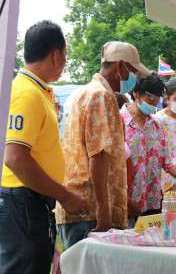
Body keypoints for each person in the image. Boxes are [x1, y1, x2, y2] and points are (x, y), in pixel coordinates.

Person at [0, 20, 89, 274]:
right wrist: (65, 195)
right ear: (55, 55)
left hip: (27, 202)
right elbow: (15, 158)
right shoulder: (27, 94)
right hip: (21, 201)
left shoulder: (36, 92)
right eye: (66, 56)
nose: (65, 62)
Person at [55, 41, 151, 249]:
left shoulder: (87, 91)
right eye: (132, 71)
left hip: (82, 209)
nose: (133, 78)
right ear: (120, 67)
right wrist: (103, 209)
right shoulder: (101, 95)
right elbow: (98, 155)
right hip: (89, 212)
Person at [121, 73, 176, 218]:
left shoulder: (156, 124)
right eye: (151, 96)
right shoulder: (118, 121)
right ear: (135, 93)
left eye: (158, 97)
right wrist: (123, 199)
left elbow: (168, 161)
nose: (154, 102)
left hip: (153, 202)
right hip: (127, 203)